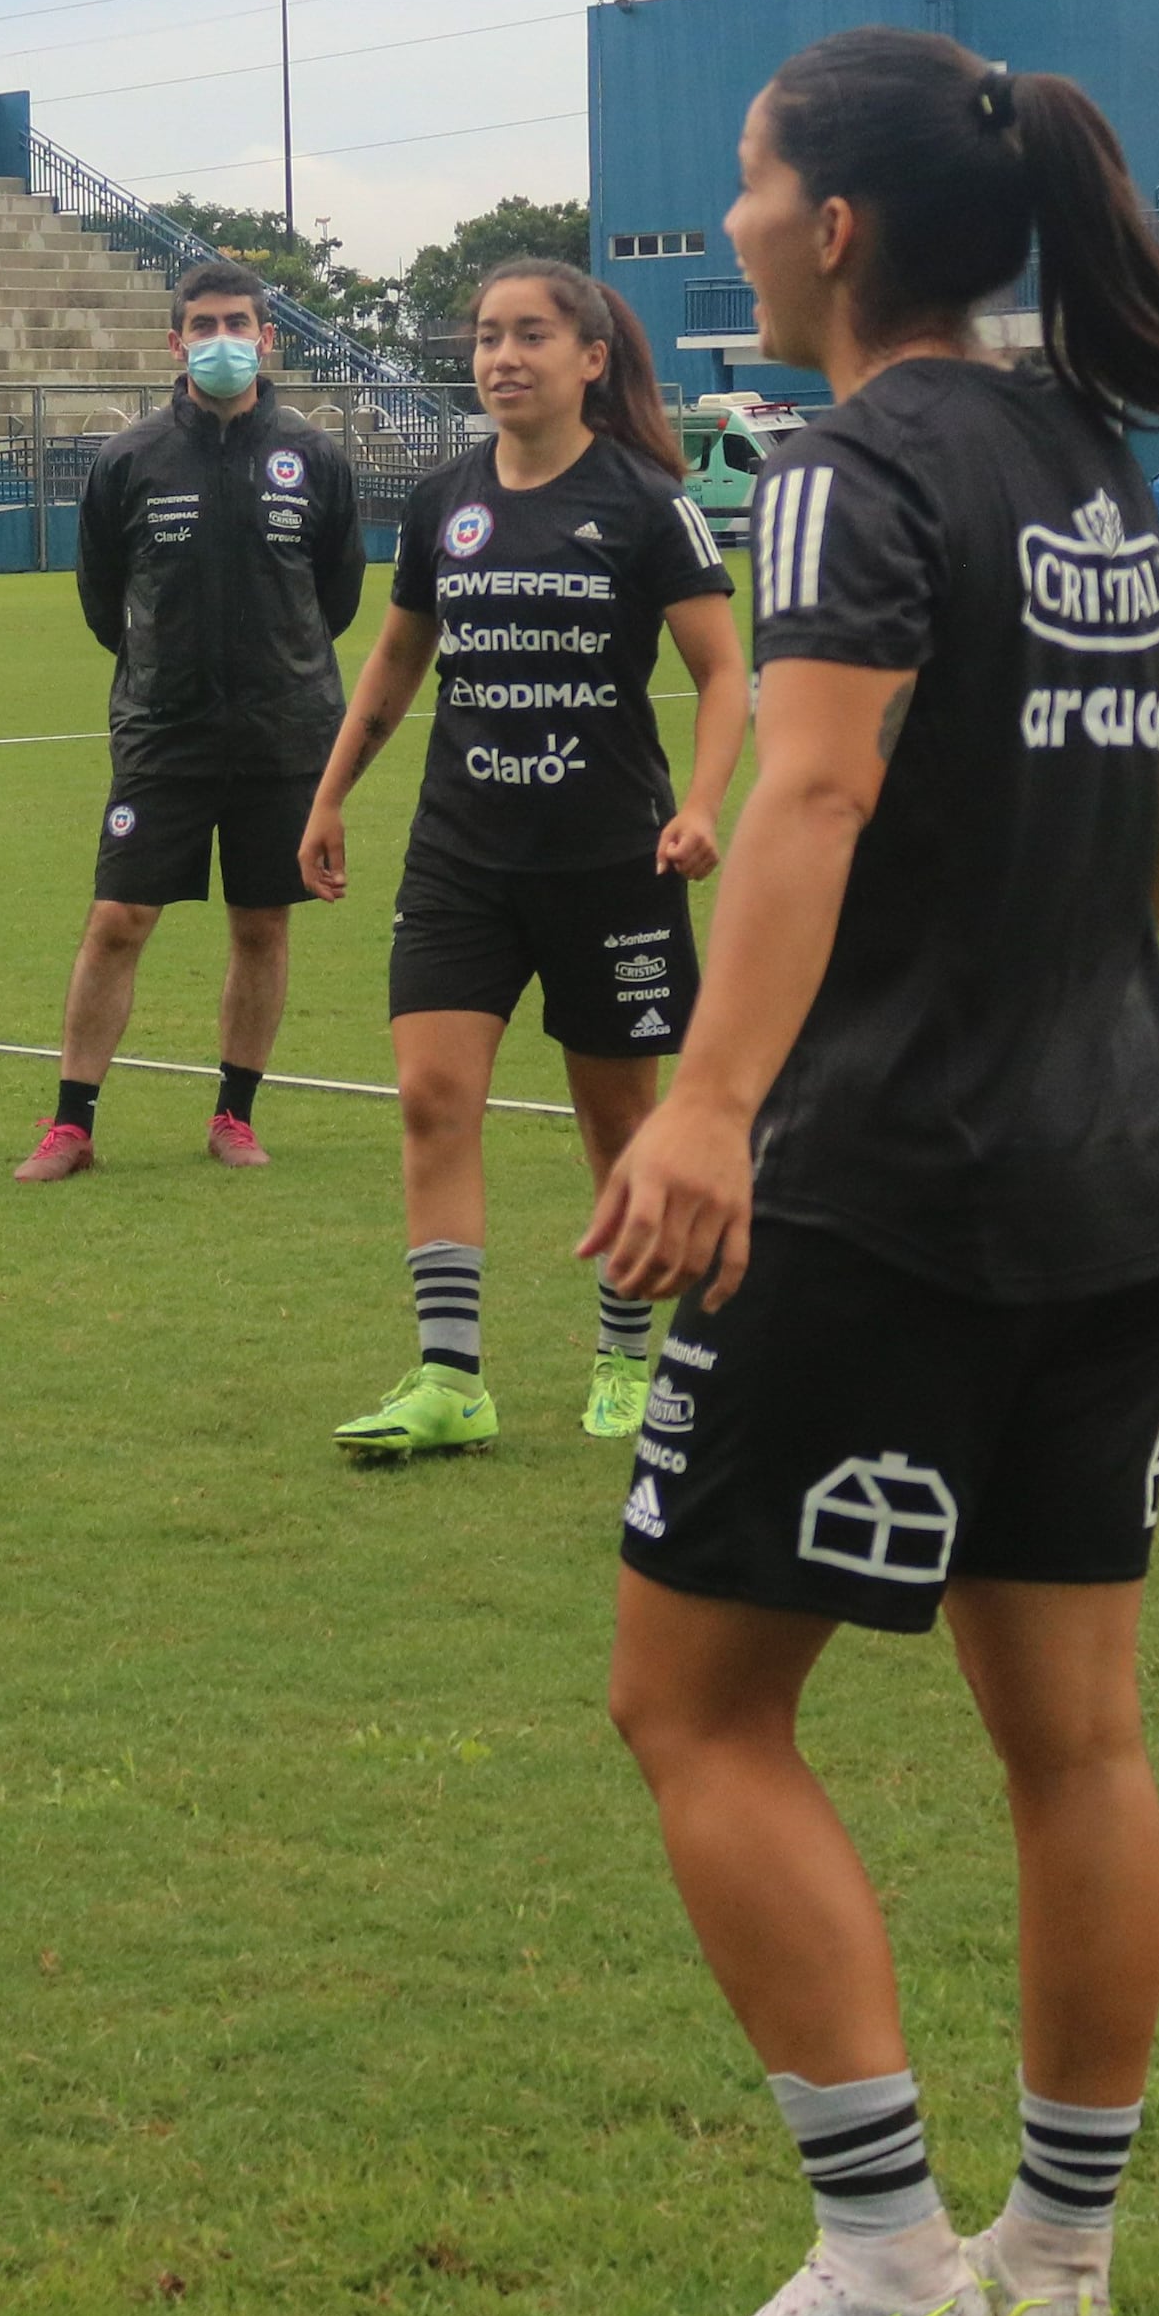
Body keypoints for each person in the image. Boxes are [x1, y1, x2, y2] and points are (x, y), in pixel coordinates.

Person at [581, 29, 1159, 2316]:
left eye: (742, 178)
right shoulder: (1084, 457)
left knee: (690, 1699)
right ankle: (1064, 2251)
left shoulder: (841, 467)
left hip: (885, 1190)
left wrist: (710, 1107)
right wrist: (1063, 997)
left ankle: (882, 2245)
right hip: (1119, 1177)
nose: (724, 218)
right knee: (1071, 1735)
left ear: (829, 228)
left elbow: (803, 791)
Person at [297, 258, 745, 1458]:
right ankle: (451, 1377)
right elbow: (394, 665)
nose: (501, 356)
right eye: (487, 336)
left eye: (530, 335)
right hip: (460, 858)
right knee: (433, 1097)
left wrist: (700, 806)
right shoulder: (443, 498)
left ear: (590, 359)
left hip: (610, 861)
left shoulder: (647, 501)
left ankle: (621, 1354)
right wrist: (330, 795)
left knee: (616, 1126)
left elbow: (721, 674)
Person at [15, 259, 363, 1180]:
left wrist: (271, 668)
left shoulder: (315, 457)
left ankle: (233, 1117)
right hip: (163, 732)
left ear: (267, 335)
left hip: (284, 733)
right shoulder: (129, 458)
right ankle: (72, 1125)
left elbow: (334, 598)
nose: (221, 340)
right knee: (119, 917)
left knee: (262, 925)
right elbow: (102, 602)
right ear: (175, 342)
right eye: (203, 325)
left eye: (237, 323)